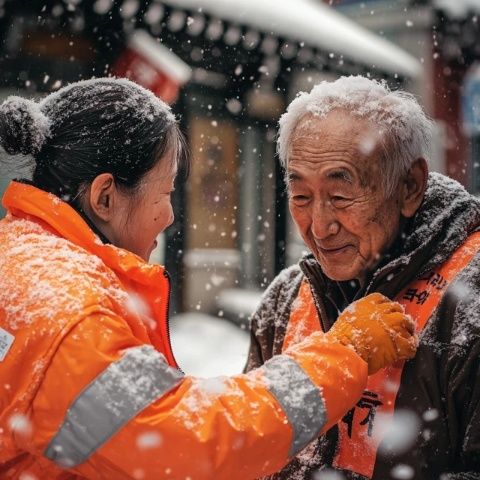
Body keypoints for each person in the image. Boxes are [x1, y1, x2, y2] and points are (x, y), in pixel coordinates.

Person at [0, 78, 416, 480]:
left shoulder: (24, 262)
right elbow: (191, 442)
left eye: (340, 196)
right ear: (105, 197)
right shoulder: (69, 312)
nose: (170, 216)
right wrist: (345, 354)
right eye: (164, 195)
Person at [245, 75, 480, 480]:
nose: (319, 227)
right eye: (301, 197)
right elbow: (246, 446)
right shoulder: (285, 299)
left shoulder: (469, 302)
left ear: (409, 186)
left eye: (340, 196)